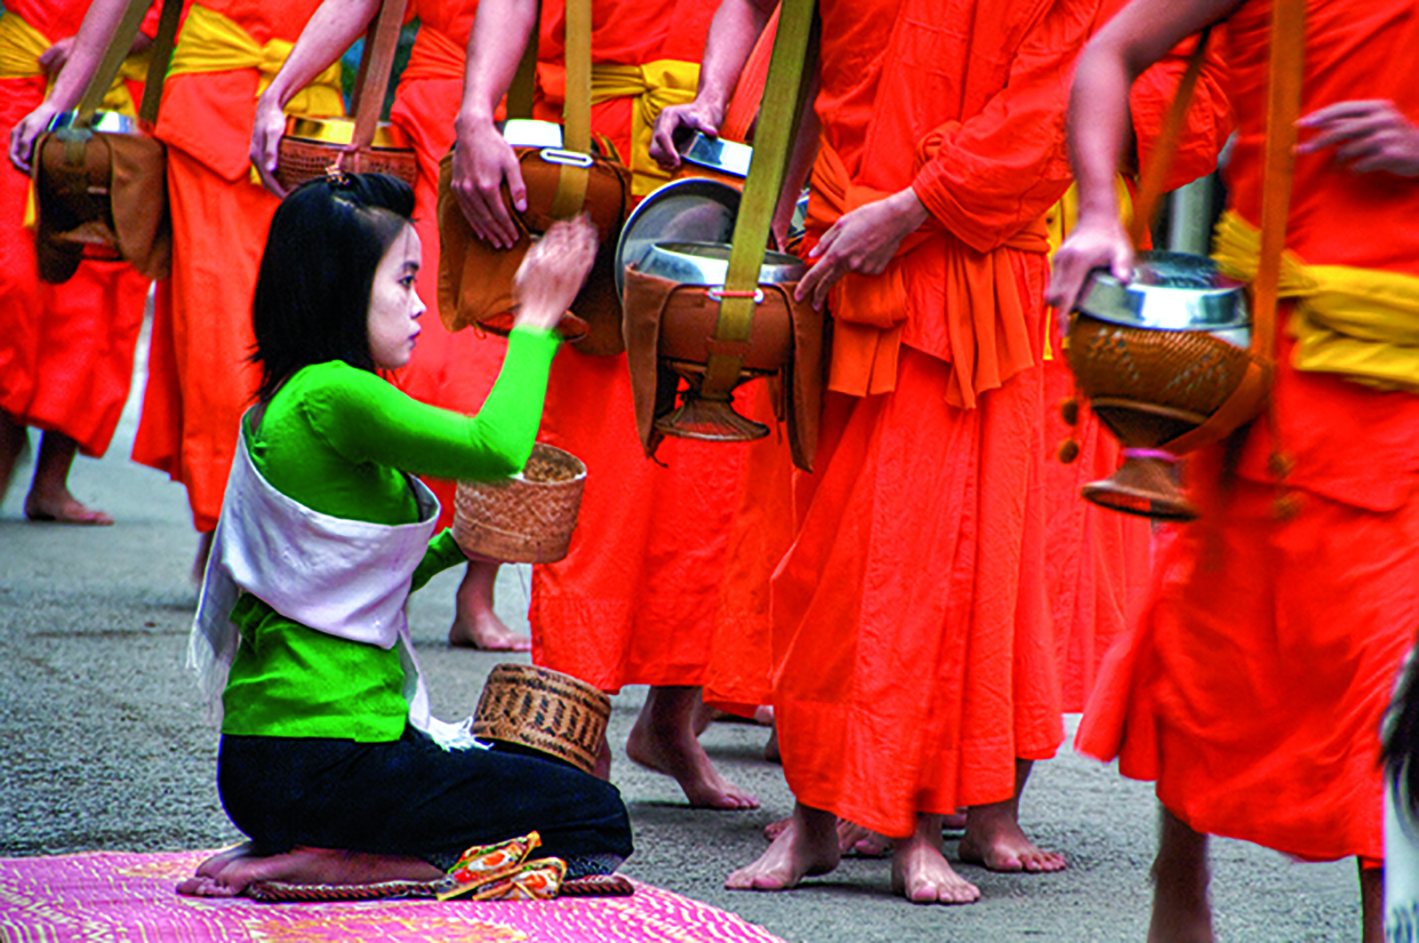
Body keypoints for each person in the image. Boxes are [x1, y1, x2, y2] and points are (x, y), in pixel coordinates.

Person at [653, 0, 1109, 903]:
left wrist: (911, 209)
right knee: (822, 568)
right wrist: (762, 238)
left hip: (957, 270)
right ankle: (816, 820)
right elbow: (798, 74)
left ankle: (915, 826)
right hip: (834, 259)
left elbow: (1047, 106)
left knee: (936, 567)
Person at [1048, 1, 1419, 940]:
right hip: (1274, 379)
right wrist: (1099, 213)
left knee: (1392, 687)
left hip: (1402, 388)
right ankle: (1178, 889)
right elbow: (1108, 52)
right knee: (1211, 649)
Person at [178, 174, 630, 898]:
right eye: (404, 280)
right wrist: (538, 316)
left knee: (506, 782)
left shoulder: (283, 403)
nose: (419, 305)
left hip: (268, 770)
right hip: (333, 762)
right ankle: (353, 860)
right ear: (342, 288)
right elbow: (496, 446)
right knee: (593, 814)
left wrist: (461, 546)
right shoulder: (337, 393)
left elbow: (342, 584)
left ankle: (314, 843)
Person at [450, 0, 760, 810]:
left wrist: (719, 98)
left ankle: (668, 723)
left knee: (714, 482)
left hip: (714, 161)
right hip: (601, 157)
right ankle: (572, 724)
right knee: (604, 482)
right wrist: (475, 114)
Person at [12, 0, 349, 579]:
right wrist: (60, 99)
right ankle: (228, 521)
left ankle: (274, 522)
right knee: (222, 332)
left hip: (315, 128)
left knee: (308, 331)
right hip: (212, 116)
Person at [248, 0, 534, 653]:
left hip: (539, 137)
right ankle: (363, 560)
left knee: (495, 371)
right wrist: (280, 88)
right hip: (436, 130)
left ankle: (476, 591)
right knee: (420, 365)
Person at [2, 0, 153, 525]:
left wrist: (116, 44)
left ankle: (50, 482)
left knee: (96, 302)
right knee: (12, 277)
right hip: (17, 81)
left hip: (119, 109)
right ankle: (6, 432)